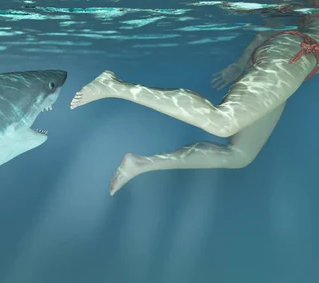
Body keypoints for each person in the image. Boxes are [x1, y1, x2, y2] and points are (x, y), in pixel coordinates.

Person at [70, 15, 319, 195]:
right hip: (296, 54)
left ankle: (142, 164)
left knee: (239, 156)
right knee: (224, 122)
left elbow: (264, 35)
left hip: (295, 61)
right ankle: (113, 85)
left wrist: (239, 64)